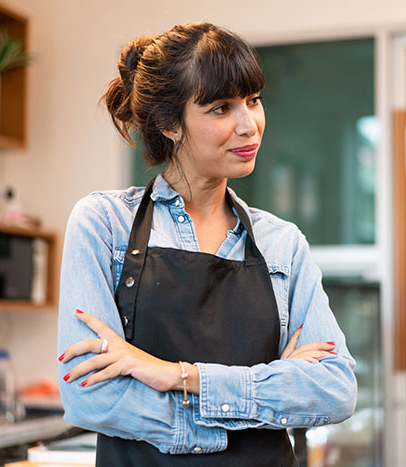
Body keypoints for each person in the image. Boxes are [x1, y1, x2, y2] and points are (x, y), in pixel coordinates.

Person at [57, 23, 357, 466]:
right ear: (168, 123)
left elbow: (334, 391)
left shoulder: (282, 244)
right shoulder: (105, 225)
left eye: (253, 101)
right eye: (221, 109)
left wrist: (176, 375)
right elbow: (91, 399)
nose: (248, 125)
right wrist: (263, 395)